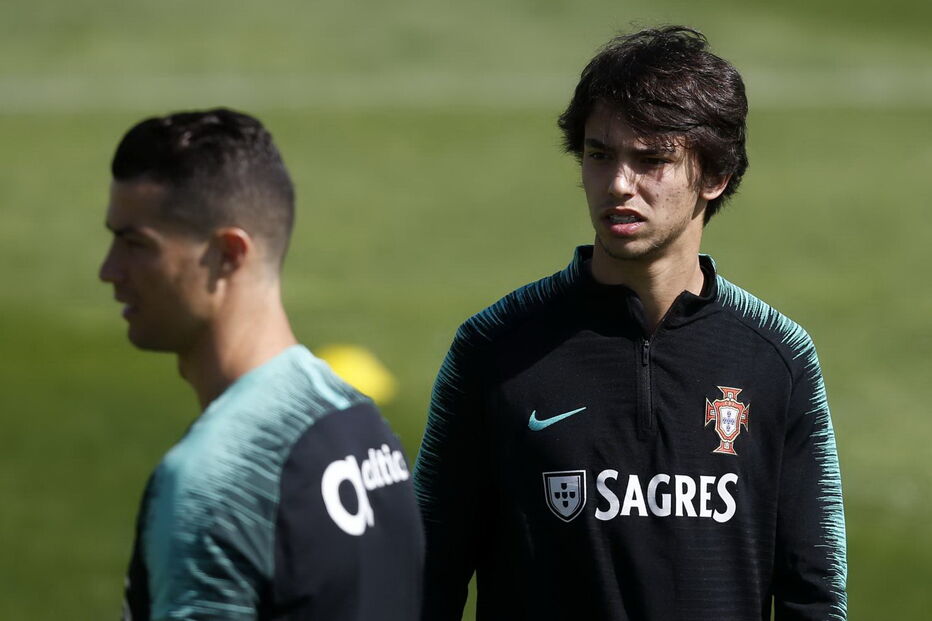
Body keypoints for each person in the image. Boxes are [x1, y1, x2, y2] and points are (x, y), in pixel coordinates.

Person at [414, 26, 846, 620]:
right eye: (600, 155)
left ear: (714, 177)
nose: (619, 184)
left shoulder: (778, 359)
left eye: (652, 160)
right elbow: (423, 576)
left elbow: (814, 595)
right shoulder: (494, 347)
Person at [99, 108, 423, 620]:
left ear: (228, 254)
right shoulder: (365, 428)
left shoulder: (211, 481)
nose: (108, 270)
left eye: (135, 244)